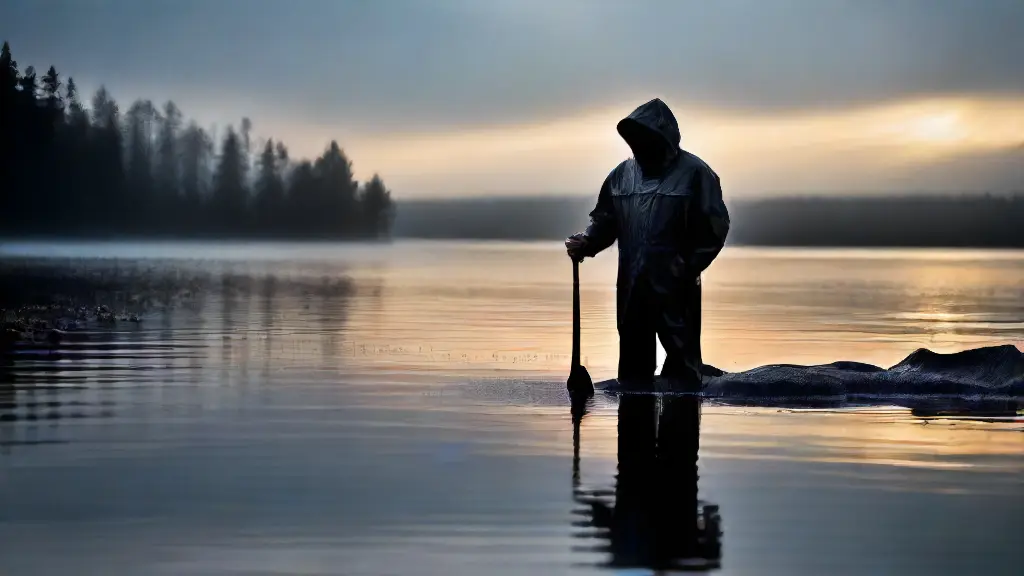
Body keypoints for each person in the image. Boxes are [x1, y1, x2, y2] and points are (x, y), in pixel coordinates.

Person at [565, 98, 729, 389]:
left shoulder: (695, 173)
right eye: (635, 138)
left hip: (677, 287)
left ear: (662, 138)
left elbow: (714, 228)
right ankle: (633, 424)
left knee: (683, 366)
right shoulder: (620, 177)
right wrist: (587, 241)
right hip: (631, 286)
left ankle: (682, 423)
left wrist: (686, 265)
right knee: (633, 366)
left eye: (647, 137)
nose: (640, 145)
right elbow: (606, 220)